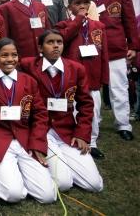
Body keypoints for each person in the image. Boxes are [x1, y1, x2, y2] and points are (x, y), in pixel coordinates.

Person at [0, 38, 56, 204]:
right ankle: (11, 179)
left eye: (14, 55)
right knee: (13, 194)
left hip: (24, 138)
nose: (10, 59)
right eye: (4, 55)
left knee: (48, 196)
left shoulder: (29, 81)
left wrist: (37, 143)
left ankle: (23, 177)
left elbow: (40, 113)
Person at [20, 30, 103, 193]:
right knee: (63, 183)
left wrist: (82, 134)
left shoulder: (76, 68)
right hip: (40, 130)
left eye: (59, 42)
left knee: (94, 185)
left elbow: (86, 104)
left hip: (67, 131)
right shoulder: (28, 65)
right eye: (50, 42)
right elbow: (2, 64)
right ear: (40, 48)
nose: (56, 45)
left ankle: (66, 162)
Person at [85, 0, 139, 141]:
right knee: (93, 90)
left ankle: (123, 124)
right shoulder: (84, 0)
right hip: (93, 52)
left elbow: (130, 22)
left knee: (119, 88)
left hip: (116, 50)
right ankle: (95, 122)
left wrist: (133, 46)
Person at [55, 0, 109, 159]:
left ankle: (92, 142)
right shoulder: (63, 25)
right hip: (72, 78)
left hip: (92, 77)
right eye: (77, 3)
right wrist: (78, 19)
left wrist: (104, 78)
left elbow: (104, 54)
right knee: (73, 109)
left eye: (86, 2)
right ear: (69, 6)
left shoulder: (98, 26)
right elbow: (63, 39)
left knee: (94, 110)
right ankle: (74, 137)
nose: (82, 6)